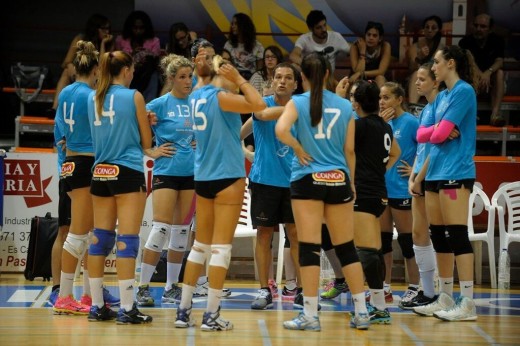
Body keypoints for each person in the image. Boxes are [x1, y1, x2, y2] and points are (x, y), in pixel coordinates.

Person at [276, 52, 369, 331]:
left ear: (301, 77)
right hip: (338, 179)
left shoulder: (297, 102)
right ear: (328, 75)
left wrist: (297, 147)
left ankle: (310, 315)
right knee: (346, 248)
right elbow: (350, 150)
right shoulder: (344, 106)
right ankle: (362, 312)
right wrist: (350, 181)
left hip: (307, 179)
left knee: (309, 248)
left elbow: (280, 129)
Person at [174, 54, 265, 331]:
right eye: (230, 73)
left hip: (203, 177)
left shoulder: (195, 97)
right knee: (221, 249)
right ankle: (211, 315)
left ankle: (183, 311)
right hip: (226, 176)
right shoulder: (221, 98)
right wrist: (239, 80)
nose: (236, 79)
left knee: (199, 246)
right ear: (221, 74)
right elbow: (258, 105)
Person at [52, 40, 120, 315]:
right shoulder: (90, 96)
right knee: (80, 234)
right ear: (95, 70)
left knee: (88, 233)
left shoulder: (66, 92)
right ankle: (66, 296)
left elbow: (60, 135)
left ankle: (88, 294)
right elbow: (100, 131)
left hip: (69, 163)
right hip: (85, 163)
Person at [86, 50, 153, 323]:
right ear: (126, 70)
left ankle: (97, 306)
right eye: (132, 69)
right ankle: (127, 309)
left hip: (100, 172)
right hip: (127, 171)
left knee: (99, 240)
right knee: (127, 241)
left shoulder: (94, 96)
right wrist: (147, 125)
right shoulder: (134, 96)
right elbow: (146, 143)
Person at [414, 45, 478, 322]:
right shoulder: (441, 98)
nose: (434, 66)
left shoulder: (464, 91)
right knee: (438, 235)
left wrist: (436, 133)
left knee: (457, 234)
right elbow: (423, 135)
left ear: (450, 64)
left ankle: (468, 302)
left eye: (437, 62)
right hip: (435, 173)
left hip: (456, 172)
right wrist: (436, 132)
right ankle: (446, 296)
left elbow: (438, 135)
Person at [135, 54, 196, 307]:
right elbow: (135, 127)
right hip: (166, 171)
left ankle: (172, 287)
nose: (187, 81)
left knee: (181, 232)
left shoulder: (196, 103)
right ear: (171, 79)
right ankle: (142, 287)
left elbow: (208, 130)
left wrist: (199, 142)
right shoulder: (159, 104)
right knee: (160, 228)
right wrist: (150, 150)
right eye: (182, 77)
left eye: (190, 76)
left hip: (191, 173)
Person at [240, 62, 301, 310]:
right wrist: (242, 150)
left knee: (296, 235)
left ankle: (300, 289)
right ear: (272, 81)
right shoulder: (261, 104)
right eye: (278, 77)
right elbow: (244, 130)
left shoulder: (303, 107)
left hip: (296, 181)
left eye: (288, 77)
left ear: (296, 84)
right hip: (264, 181)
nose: (282, 81)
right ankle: (265, 289)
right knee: (264, 235)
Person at [351, 80, 400, 324]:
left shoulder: (359, 126)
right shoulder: (384, 126)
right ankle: (376, 304)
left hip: (363, 193)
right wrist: (381, 170)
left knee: (367, 251)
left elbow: (345, 152)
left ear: (356, 103)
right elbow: (396, 153)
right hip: (378, 192)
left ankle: (379, 307)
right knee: (371, 250)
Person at [401, 62, 444, 310]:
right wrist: (412, 176)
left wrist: (419, 177)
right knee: (419, 234)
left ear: (435, 81)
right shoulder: (426, 108)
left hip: (434, 176)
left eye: (421, 79)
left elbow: (436, 149)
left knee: (437, 234)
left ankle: (440, 292)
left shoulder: (440, 107)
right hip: (420, 176)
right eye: (416, 79)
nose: (417, 83)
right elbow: (421, 147)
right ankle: (427, 292)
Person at [376, 82, 420, 306]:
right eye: (380, 98)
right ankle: (384, 288)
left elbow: (426, 149)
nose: (382, 101)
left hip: (402, 189)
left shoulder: (411, 123)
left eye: (386, 97)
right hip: (382, 188)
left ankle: (414, 287)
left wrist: (416, 170)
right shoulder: (381, 122)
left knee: (407, 241)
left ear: (399, 99)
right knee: (383, 243)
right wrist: (380, 125)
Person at [50, 14, 114, 114]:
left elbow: (103, 66)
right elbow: (66, 61)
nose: (107, 32)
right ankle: (54, 108)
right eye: (104, 28)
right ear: (95, 28)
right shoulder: (80, 39)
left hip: (97, 78)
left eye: (108, 28)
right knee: (66, 71)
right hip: (79, 75)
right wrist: (71, 66)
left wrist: (103, 45)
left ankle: (94, 111)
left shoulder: (109, 43)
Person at [459, 13, 505, 126]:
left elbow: (499, 61)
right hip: (472, 82)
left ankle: (495, 116)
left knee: (499, 73)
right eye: (476, 25)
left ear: (490, 29)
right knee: (466, 75)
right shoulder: (465, 42)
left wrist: (488, 73)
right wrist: (482, 75)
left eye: (483, 26)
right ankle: (471, 116)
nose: (478, 29)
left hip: (491, 83)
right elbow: (470, 63)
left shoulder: (497, 40)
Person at [116, 10, 162, 102]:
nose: (138, 31)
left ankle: (148, 104)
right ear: (130, 27)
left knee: (152, 70)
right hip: (127, 74)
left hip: (147, 75)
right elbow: (116, 61)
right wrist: (133, 56)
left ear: (146, 28)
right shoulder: (121, 40)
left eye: (141, 28)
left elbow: (155, 62)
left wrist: (144, 56)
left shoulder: (154, 41)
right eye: (135, 28)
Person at [406, 16, 444, 104]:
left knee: (437, 79)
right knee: (416, 74)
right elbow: (411, 68)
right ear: (423, 29)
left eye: (433, 28)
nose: (430, 30)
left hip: (435, 80)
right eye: (427, 27)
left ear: (439, 30)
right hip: (417, 79)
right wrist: (419, 57)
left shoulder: (443, 49)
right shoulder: (415, 47)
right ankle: (413, 107)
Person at [349, 21, 391, 88]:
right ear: (365, 35)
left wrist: (361, 73)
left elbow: (381, 71)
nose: (371, 38)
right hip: (359, 78)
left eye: (374, 35)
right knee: (357, 80)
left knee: (380, 78)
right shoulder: (355, 46)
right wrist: (362, 52)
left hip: (376, 78)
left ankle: (380, 98)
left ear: (380, 38)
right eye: (368, 35)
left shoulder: (385, 46)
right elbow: (356, 71)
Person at [224, 13, 265, 79]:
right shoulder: (228, 44)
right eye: (232, 24)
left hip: (251, 78)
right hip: (233, 77)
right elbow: (224, 62)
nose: (233, 26)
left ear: (244, 26)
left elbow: (260, 69)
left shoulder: (257, 46)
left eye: (236, 24)